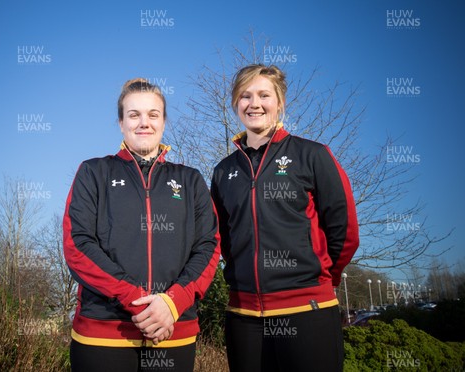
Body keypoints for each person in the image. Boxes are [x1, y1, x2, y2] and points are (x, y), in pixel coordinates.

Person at [63, 78, 221, 372]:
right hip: (103, 335)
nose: (143, 123)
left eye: (153, 114)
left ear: (163, 121)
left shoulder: (190, 180)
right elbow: (77, 245)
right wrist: (137, 299)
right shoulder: (93, 172)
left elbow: (208, 247)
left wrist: (172, 304)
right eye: (134, 114)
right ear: (121, 122)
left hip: (172, 333)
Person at [210, 64, 359, 371]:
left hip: (307, 308)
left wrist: (323, 276)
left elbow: (344, 228)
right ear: (235, 103)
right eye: (245, 95)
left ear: (279, 102)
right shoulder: (223, 171)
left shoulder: (313, 155)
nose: (255, 103)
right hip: (244, 316)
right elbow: (222, 236)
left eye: (264, 95)